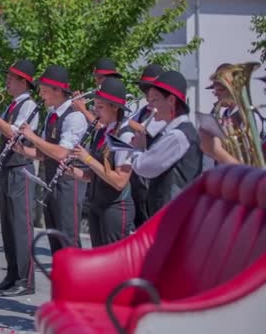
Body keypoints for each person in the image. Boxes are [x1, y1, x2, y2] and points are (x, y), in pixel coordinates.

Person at [0, 59, 38, 297]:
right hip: (7, 168)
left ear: (24, 82)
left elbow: (15, 133)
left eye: (11, 79)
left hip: (21, 168)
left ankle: (25, 279)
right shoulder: (11, 105)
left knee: (21, 226)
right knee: (8, 225)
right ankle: (12, 275)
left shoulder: (29, 106)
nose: (7, 82)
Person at [15, 65, 88, 252]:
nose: (40, 94)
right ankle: (59, 278)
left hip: (68, 185)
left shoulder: (75, 117)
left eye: (44, 90)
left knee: (67, 238)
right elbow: (43, 153)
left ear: (58, 91)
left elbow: (62, 153)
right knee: (54, 238)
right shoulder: (51, 115)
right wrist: (22, 149)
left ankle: (74, 280)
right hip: (50, 181)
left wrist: (32, 137)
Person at [67, 78, 135, 246]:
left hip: (115, 208)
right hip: (97, 205)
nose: (95, 112)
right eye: (95, 106)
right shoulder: (102, 132)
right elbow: (95, 175)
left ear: (115, 107)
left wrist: (88, 159)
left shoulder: (125, 135)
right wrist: (74, 171)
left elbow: (119, 181)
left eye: (100, 107)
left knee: (114, 263)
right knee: (98, 258)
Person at [131, 71, 203, 217]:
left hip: (173, 214)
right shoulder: (174, 131)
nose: (149, 106)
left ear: (171, 100)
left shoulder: (178, 135)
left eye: (154, 100)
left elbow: (144, 167)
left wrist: (138, 149)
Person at [200, 64, 265, 165]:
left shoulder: (250, 117)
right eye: (215, 90)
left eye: (220, 90)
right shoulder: (226, 115)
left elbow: (248, 160)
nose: (216, 94)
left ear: (233, 89)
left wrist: (216, 148)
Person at [127, 63, 167, 228]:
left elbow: (147, 131)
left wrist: (125, 121)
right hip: (138, 175)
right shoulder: (144, 109)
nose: (147, 94)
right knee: (140, 223)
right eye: (146, 89)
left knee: (153, 223)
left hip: (153, 177)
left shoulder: (164, 111)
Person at [72, 58, 123, 127]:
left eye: (99, 78)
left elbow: (102, 127)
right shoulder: (97, 97)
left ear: (111, 78)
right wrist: (80, 108)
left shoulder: (117, 96)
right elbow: (95, 119)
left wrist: (83, 110)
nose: (96, 82)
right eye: (95, 78)